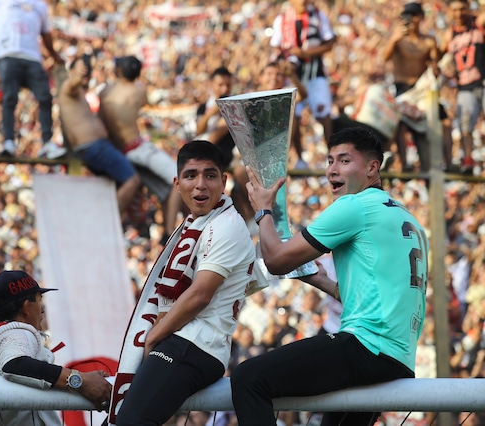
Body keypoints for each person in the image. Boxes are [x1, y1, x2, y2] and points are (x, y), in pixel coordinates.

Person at [231, 127, 429, 425]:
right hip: (397, 360)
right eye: (329, 160)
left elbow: (276, 260)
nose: (332, 170)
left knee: (249, 378)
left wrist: (263, 210)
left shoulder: (354, 206)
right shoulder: (407, 218)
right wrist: (323, 282)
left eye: (344, 161)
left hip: (365, 348)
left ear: (373, 167)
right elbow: (382, 294)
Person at [114, 140, 263, 425]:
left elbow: (200, 295)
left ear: (224, 180)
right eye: (191, 175)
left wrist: (155, 336)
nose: (200, 185)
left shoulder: (226, 224)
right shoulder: (195, 224)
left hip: (196, 344)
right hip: (184, 341)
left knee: (131, 422)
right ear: (177, 183)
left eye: (210, 175)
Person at [0, 270, 112, 425]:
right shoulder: (19, 331)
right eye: (39, 300)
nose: (43, 309)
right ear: (26, 307)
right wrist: (80, 381)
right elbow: (14, 364)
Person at [98, 55, 182, 239]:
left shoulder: (104, 92)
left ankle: (167, 234)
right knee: (179, 180)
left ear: (119, 71)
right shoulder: (138, 91)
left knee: (168, 191)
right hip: (137, 148)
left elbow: (103, 121)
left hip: (120, 152)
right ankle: (169, 233)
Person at [0, 0, 66, 158]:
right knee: (10, 98)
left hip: (32, 57)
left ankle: (47, 144)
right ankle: (9, 142)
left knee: (45, 97)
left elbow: (46, 33)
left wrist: (54, 55)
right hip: (8, 54)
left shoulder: (40, 5)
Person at [58, 56, 141, 213]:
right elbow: (72, 83)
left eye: (87, 73)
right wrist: (78, 75)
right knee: (132, 180)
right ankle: (108, 222)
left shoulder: (81, 95)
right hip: (94, 147)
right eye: (82, 71)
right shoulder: (68, 89)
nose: (86, 76)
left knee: (113, 185)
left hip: (96, 148)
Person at [383, 1, 451, 172]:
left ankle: (449, 162)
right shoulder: (398, 39)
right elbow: (385, 56)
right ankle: (404, 162)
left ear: (420, 18)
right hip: (402, 88)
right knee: (400, 123)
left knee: (444, 121)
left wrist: (435, 68)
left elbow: (435, 64)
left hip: (422, 91)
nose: (410, 20)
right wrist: (395, 38)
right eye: (407, 16)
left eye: (413, 16)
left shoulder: (429, 41)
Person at [270, 0, 336, 166]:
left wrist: (305, 53)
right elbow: (276, 47)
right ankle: (299, 158)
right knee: (293, 115)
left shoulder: (319, 16)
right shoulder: (282, 19)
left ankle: (332, 155)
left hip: (315, 73)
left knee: (324, 112)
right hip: (292, 75)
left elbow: (329, 43)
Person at [440, 0, 485, 175]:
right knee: (466, 126)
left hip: (482, 81)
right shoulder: (449, 34)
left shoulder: (477, 24)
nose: (459, 13)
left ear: (468, 9)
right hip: (464, 86)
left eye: (462, 8)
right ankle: (467, 159)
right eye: (455, 10)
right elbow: (440, 54)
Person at [195, 67, 235, 170]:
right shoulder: (204, 107)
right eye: (220, 85)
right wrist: (211, 113)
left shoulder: (234, 108)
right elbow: (199, 130)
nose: (224, 89)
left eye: (228, 85)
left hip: (222, 155)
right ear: (212, 84)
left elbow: (216, 135)